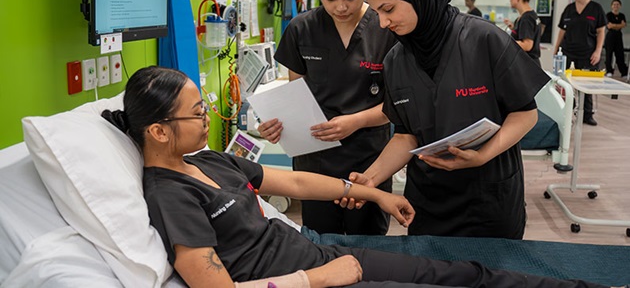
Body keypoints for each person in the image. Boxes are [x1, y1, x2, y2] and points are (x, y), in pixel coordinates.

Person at [103, 65, 611, 288]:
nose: (208, 115)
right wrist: (317, 277)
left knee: (460, 271)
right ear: (159, 131)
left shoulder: (210, 161)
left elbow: (297, 185)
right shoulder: (170, 196)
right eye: (197, 112)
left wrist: (370, 193)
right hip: (317, 276)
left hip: (325, 255)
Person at [341, 0, 549, 240]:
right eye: (376, 13)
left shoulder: (483, 39)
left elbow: (525, 114)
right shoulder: (396, 60)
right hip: (427, 202)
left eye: (388, 9)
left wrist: (481, 155)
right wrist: (370, 179)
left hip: (489, 198)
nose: (384, 23)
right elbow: (405, 135)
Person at [256, 0, 397, 235]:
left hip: (369, 157)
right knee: (319, 241)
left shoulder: (386, 29)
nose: (341, 7)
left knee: (368, 242)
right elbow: (296, 99)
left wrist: (354, 121)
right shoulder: (301, 29)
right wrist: (275, 125)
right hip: (315, 158)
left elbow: (398, 105)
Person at [553, 0, 607, 126]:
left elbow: (601, 31)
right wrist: (556, 49)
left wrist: (598, 51)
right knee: (565, 83)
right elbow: (562, 31)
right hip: (568, 51)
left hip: (587, 53)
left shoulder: (596, 9)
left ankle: (587, 114)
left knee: (586, 84)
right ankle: (568, 110)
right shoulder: (569, 9)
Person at [503, 0, 542, 66]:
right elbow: (527, 33)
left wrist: (505, 42)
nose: (510, 0)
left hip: (528, 65)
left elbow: (527, 45)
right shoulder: (530, 15)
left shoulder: (526, 18)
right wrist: (513, 28)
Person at [604, 0, 628, 78]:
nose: (616, 6)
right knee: (609, 54)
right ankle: (609, 71)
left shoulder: (622, 15)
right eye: (614, 4)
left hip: (618, 36)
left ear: (620, 6)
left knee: (620, 54)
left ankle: (624, 72)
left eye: (617, 4)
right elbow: (609, 26)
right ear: (611, 6)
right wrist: (619, 25)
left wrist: (614, 25)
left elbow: (624, 25)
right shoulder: (608, 15)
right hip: (610, 36)